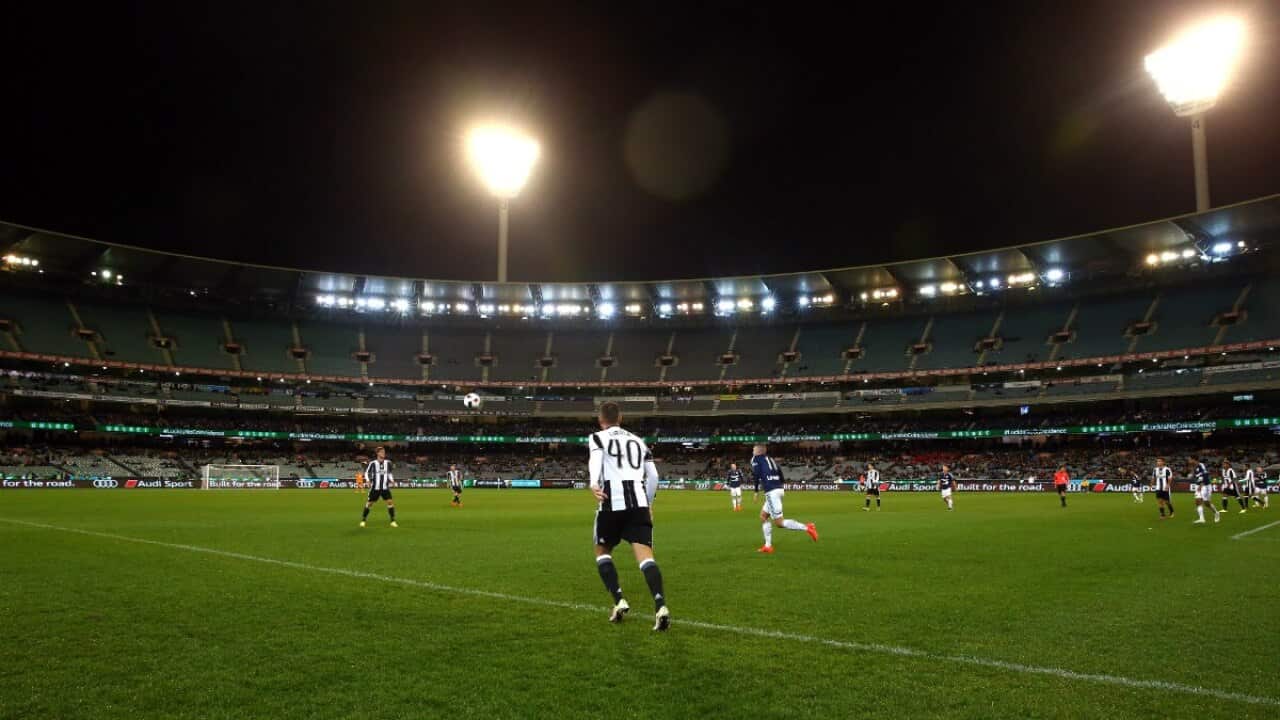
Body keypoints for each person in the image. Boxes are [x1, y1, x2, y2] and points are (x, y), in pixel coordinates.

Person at [588, 401, 669, 631]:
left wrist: (593, 483)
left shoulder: (597, 437)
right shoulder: (639, 441)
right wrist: (650, 503)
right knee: (646, 557)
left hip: (611, 501)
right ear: (620, 418)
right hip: (639, 503)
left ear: (600, 420)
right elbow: (653, 476)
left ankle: (619, 600)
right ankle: (661, 605)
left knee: (602, 551)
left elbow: (595, 461)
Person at [752, 444, 818, 554]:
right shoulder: (771, 459)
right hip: (778, 489)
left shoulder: (756, 459)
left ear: (758, 452)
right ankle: (768, 546)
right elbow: (780, 471)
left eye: (753, 449)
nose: (752, 451)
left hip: (771, 492)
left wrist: (756, 491)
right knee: (763, 516)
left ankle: (807, 527)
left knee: (779, 523)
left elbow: (756, 475)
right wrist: (780, 485)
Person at [359, 447, 397, 528]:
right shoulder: (373, 463)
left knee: (390, 502)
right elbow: (366, 473)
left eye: (384, 451)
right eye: (382, 452)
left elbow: (389, 473)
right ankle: (363, 520)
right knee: (369, 504)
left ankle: (393, 521)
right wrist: (368, 480)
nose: (383, 453)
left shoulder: (388, 463)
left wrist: (392, 480)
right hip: (375, 488)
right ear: (378, 453)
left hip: (385, 488)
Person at [1190, 457, 1220, 525]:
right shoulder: (1194, 467)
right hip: (1199, 485)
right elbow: (1197, 476)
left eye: (1190, 459)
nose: (1189, 461)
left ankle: (1216, 513)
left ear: (1193, 459)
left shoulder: (1201, 465)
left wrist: (1201, 485)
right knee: (1197, 501)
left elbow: (1205, 475)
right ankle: (1202, 519)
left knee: (1207, 503)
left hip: (1205, 486)